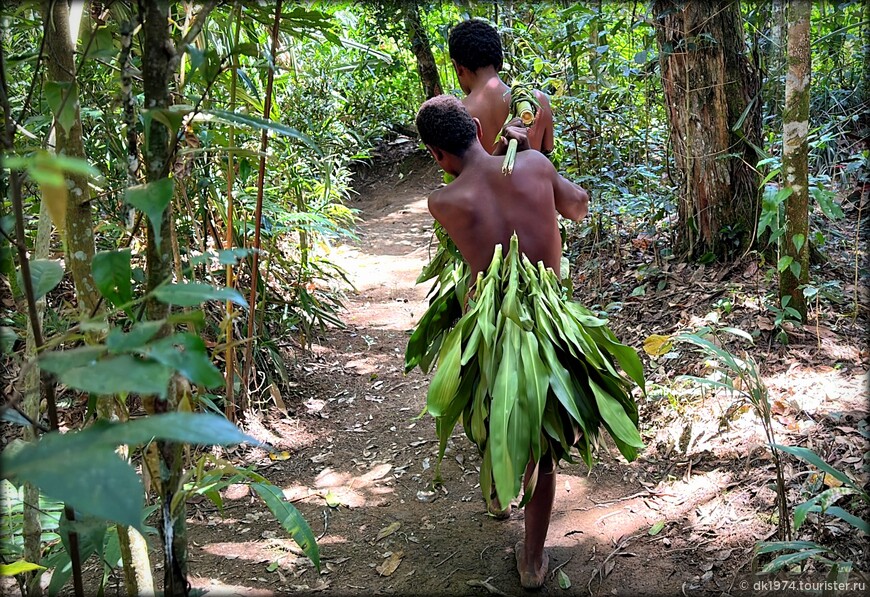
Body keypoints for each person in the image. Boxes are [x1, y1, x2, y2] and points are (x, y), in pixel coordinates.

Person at [415, 94, 588, 590]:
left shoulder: (442, 202)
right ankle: (533, 561)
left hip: (488, 328)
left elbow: (479, 192)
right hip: (548, 324)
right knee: (542, 441)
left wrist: (502, 154)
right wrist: (532, 149)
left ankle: (498, 496)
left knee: (494, 410)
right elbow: (577, 207)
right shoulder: (532, 164)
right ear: (475, 124)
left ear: (435, 155)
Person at [448, 18, 554, 156]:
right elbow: (547, 152)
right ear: (501, 61)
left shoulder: (456, 116)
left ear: (457, 67)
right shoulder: (539, 101)